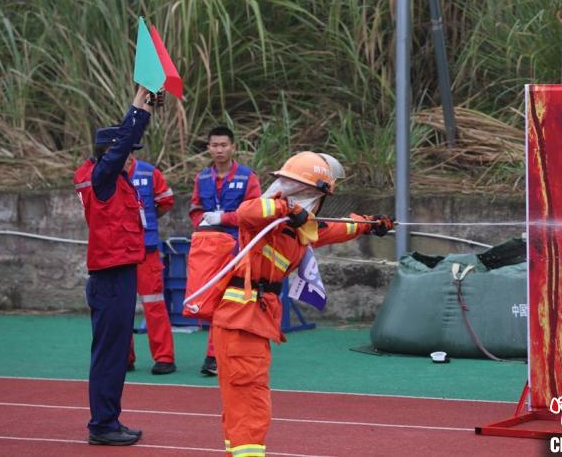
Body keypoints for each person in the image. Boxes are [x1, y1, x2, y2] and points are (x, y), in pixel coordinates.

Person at [211, 151, 394, 457]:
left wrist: (370, 224)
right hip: (243, 321)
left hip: (247, 321)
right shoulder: (266, 219)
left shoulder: (295, 229)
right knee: (251, 405)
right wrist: (287, 206)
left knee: (242, 404)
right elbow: (248, 211)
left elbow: (332, 229)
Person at [73, 85, 157, 446]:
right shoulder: (102, 179)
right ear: (109, 154)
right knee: (110, 354)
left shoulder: (116, 181)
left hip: (120, 274)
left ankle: (108, 419)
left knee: (114, 351)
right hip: (110, 278)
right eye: (124, 153)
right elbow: (123, 143)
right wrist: (139, 108)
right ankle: (103, 425)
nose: (129, 159)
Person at [188, 126, 261, 376]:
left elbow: (255, 214)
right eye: (214, 145)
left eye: (223, 145)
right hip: (209, 248)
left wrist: (225, 217)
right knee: (212, 302)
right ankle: (216, 355)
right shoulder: (202, 178)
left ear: (233, 147)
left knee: (232, 302)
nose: (219, 149)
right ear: (208, 148)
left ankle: (216, 356)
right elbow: (195, 209)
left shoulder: (248, 177)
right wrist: (202, 221)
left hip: (239, 247)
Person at [125, 153, 176, 375]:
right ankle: (123, 358)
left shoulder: (149, 172)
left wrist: (146, 221)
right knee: (120, 308)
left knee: (154, 305)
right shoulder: (105, 172)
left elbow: (166, 202)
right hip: (118, 251)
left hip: (147, 250)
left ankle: (164, 358)